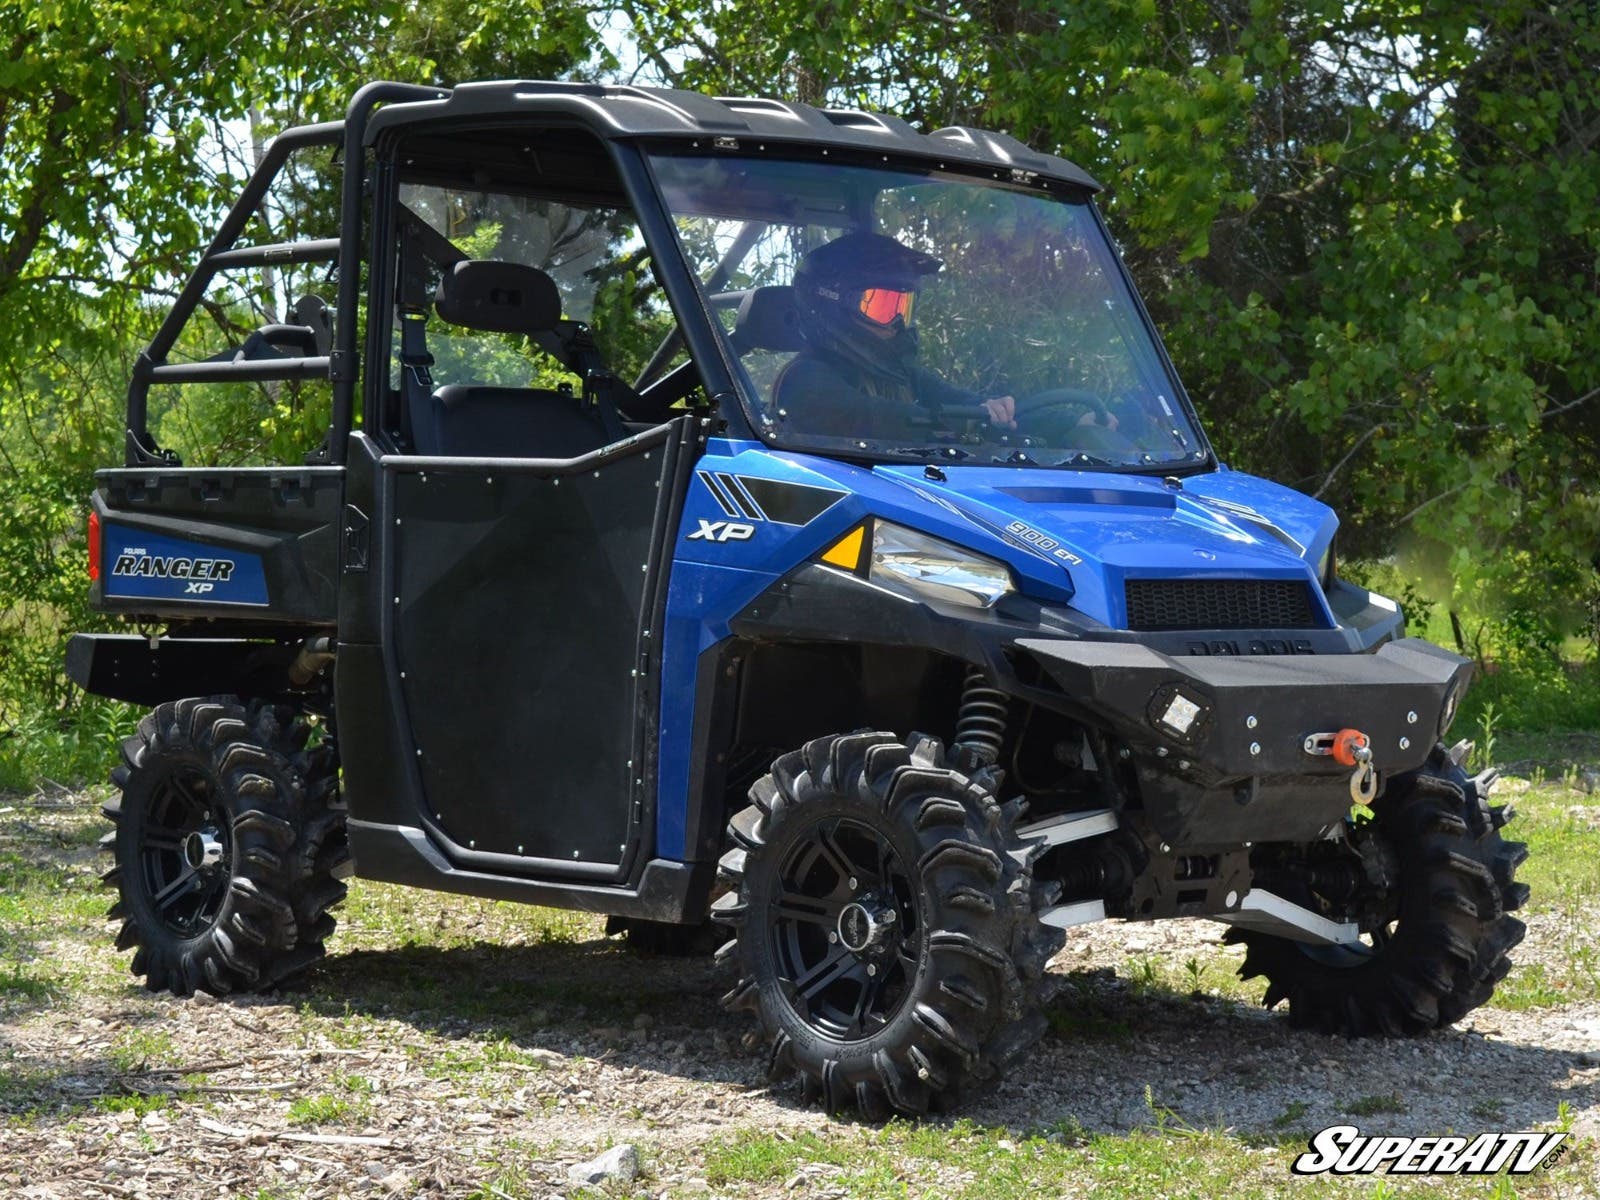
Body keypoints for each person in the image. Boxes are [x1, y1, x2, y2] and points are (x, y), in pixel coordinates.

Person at [773, 231, 1017, 439]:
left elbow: (959, 401)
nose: (897, 322)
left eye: (904, 307)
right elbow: (880, 419)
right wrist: (963, 422)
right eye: (882, 307)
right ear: (831, 304)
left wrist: (993, 409)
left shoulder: (896, 373)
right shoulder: (804, 379)